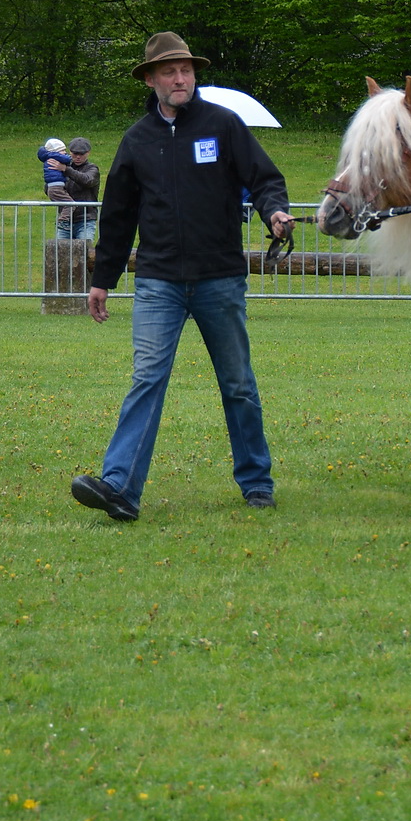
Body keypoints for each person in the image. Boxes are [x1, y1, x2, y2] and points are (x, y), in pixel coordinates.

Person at [72, 31, 293, 522]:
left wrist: (274, 212)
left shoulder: (224, 125)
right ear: (150, 80)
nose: (180, 78)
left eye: (186, 70)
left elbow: (264, 179)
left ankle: (257, 481)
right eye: (169, 71)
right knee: (147, 379)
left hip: (220, 279)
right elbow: (117, 217)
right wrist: (102, 278)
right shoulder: (137, 140)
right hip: (158, 284)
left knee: (237, 383)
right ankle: (120, 489)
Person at [59, 137, 100, 241]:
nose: (78, 157)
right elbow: (49, 189)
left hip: (86, 221)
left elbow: (88, 181)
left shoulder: (92, 169)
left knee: (84, 254)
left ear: (88, 153)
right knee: (60, 254)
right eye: (75, 153)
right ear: (70, 152)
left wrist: (66, 170)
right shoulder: (62, 168)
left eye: (81, 154)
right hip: (65, 221)